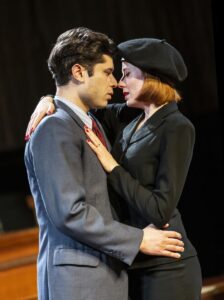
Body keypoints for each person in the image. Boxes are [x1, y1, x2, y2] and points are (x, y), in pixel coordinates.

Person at [24, 28, 184, 300]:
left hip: (105, 276)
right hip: (79, 282)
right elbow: (70, 213)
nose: (116, 83)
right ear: (78, 71)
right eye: (108, 72)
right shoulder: (54, 128)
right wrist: (139, 239)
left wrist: (47, 98)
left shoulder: (92, 122)